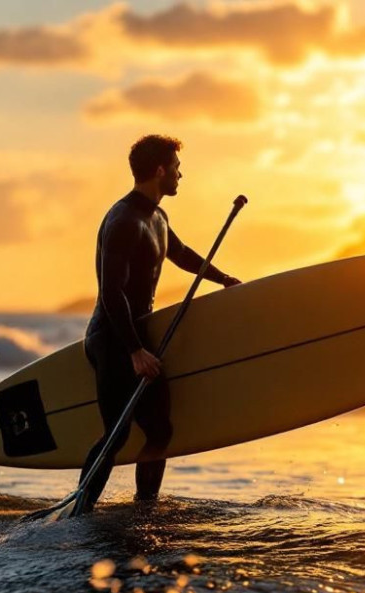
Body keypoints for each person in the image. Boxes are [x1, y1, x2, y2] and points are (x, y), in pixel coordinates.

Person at [77, 134, 241, 514]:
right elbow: (111, 292)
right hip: (112, 338)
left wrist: (222, 279)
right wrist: (134, 351)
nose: (181, 175)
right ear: (160, 170)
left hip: (137, 337)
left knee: (160, 430)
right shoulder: (123, 221)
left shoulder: (157, 217)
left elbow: (180, 253)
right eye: (177, 168)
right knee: (117, 434)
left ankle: (144, 509)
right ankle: (79, 512)